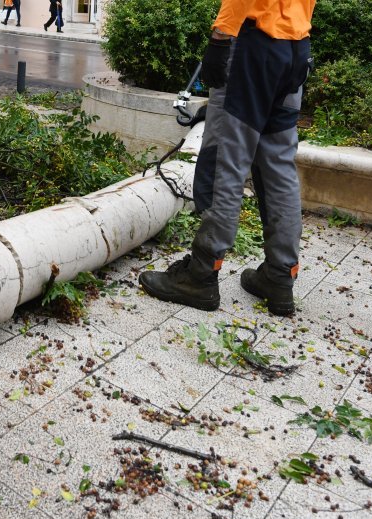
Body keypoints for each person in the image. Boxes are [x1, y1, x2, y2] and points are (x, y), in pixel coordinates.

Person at [138, 0, 315, 316]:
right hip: (296, 49)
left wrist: (220, 37)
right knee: (279, 166)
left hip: (252, 47)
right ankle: (280, 275)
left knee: (226, 162)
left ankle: (200, 274)